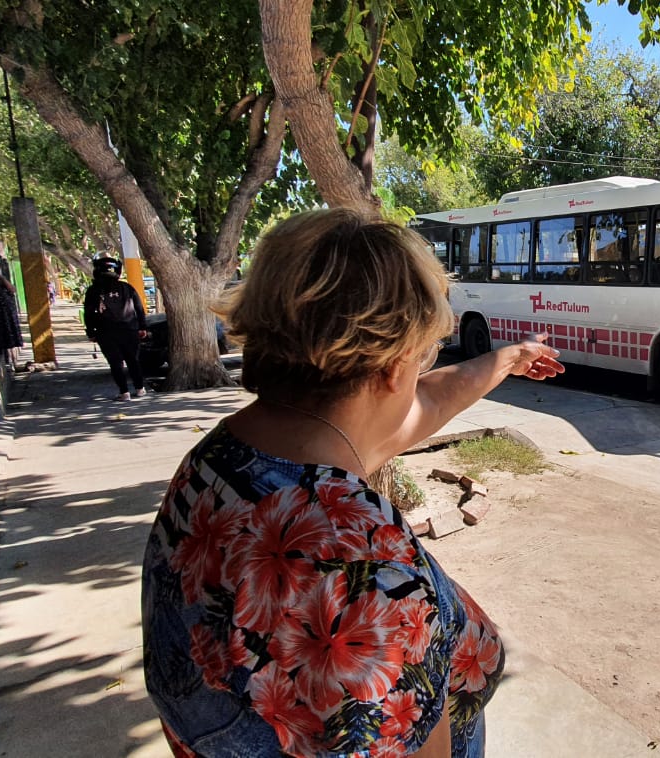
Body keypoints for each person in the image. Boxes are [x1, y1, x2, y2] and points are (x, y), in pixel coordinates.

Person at [141, 209, 563, 757]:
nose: (419, 378)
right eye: (421, 355)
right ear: (392, 366)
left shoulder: (220, 463)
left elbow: (427, 402)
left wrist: (506, 359)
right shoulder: (362, 568)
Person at [83, 257, 148, 399]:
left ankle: (124, 392)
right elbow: (139, 308)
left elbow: (88, 313)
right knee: (133, 360)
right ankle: (140, 389)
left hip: (106, 332)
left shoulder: (93, 291)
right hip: (129, 330)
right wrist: (142, 327)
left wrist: (91, 332)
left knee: (115, 362)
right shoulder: (126, 287)